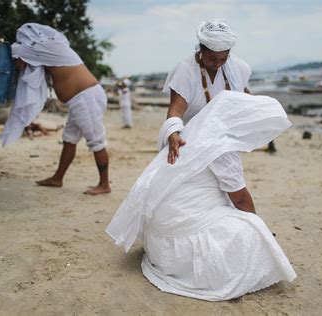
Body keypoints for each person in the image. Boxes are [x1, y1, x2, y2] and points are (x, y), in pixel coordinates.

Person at [106, 91, 296, 301]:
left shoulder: (192, 133)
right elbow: (241, 199)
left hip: (160, 237)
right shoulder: (222, 148)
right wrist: (256, 224)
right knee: (251, 229)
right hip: (178, 236)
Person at [0, 23, 111, 195]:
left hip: (86, 97)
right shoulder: (48, 49)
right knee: (69, 139)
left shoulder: (48, 46)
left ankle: (104, 184)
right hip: (80, 99)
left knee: (96, 140)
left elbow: (15, 51)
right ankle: (57, 178)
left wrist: (22, 55)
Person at [159, 19, 255, 162]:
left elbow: (244, 94)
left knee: (234, 183)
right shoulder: (185, 70)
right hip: (190, 141)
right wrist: (173, 133)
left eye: (223, 59)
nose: (217, 64)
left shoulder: (238, 68)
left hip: (223, 140)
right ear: (201, 49)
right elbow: (176, 110)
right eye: (212, 58)